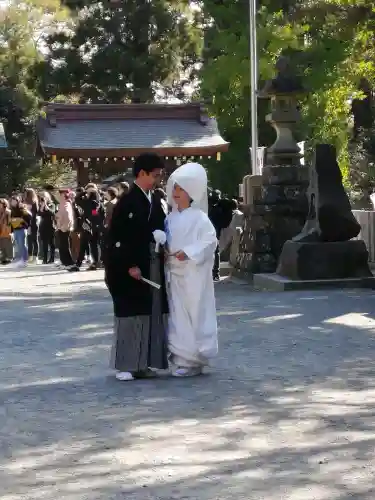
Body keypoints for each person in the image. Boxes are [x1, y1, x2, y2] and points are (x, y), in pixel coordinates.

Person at [105, 153, 169, 381]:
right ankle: (125, 365)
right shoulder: (127, 202)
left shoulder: (153, 198)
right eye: (155, 175)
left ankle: (143, 363)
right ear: (141, 173)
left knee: (147, 313)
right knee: (129, 315)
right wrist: (129, 264)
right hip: (128, 268)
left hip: (149, 263)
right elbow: (118, 238)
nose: (158, 179)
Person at [165, 162, 218, 377]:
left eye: (180, 189)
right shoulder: (169, 218)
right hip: (174, 273)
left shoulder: (200, 218)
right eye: (174, 189)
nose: (176, 194)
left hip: (193, 273)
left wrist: (188, 252)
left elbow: (209, 241)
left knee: (195, 312)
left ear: (191, 193)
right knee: (177, 315)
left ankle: (196, 357)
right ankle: (182, 358)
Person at [69, 183, 105, 272]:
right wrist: (85, 191)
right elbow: (77, 199)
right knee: (89, 245)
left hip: (90, 227)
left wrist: (85, 191)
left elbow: (96, 215)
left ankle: (81, 264)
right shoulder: (91, 201)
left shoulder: (92, 202)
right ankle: (91, 263)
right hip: (90, 226)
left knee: (88, 245)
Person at [9, 195, 31, 267]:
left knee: (22, 245)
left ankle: (25, 260)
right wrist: (11, 231)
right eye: (12, 201)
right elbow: (11, 221)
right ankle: (22, 259)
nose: (13, 202)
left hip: (22, 229)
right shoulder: (12, 210)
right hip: (15, 229)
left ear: (18, 201)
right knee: (18, 245)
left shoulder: (21, 208)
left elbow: (29, 217)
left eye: (15, 201)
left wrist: (27, 226)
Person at [55, 190, 75, 268]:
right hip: (61, 227)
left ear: (63, 195)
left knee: (64, 245)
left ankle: (68, 262)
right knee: (62, 245)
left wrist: (64, 227)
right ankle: (64, 262)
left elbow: (68, 216)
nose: (57, 196)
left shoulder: (66, 204)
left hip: (64, 228)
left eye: (59, 194)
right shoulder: (62, 204)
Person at [38, 191, 56, 264]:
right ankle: (44, 259)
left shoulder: (52, 204)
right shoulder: (40, 205)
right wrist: (42, 206)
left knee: (51, 243)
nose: (43, 198)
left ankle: (52, 258)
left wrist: (46, 205)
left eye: (44, 196)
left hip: (50, 225)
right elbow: (39, 213)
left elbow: (52, 213)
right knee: (44, 243)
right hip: (43, 226)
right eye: (42, 197)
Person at [24, 188, 40, 263]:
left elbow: (35, 213)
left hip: (33, 223)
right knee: (29, 240)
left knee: (34, 240)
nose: (25, 193)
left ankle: (35, 257)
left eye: (26, 192)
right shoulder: (25, 201)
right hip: (27, 223)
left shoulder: (34, 201)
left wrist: (28, 211)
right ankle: (30, 256)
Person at [0, 198, 13, 264]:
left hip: (6, 230)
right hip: (1, 230)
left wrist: (10, 232)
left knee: (7, 245)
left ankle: (9, 258)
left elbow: (9, 222)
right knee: (2, 245)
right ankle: (3, 258)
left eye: (0, 203)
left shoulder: (8, 212)